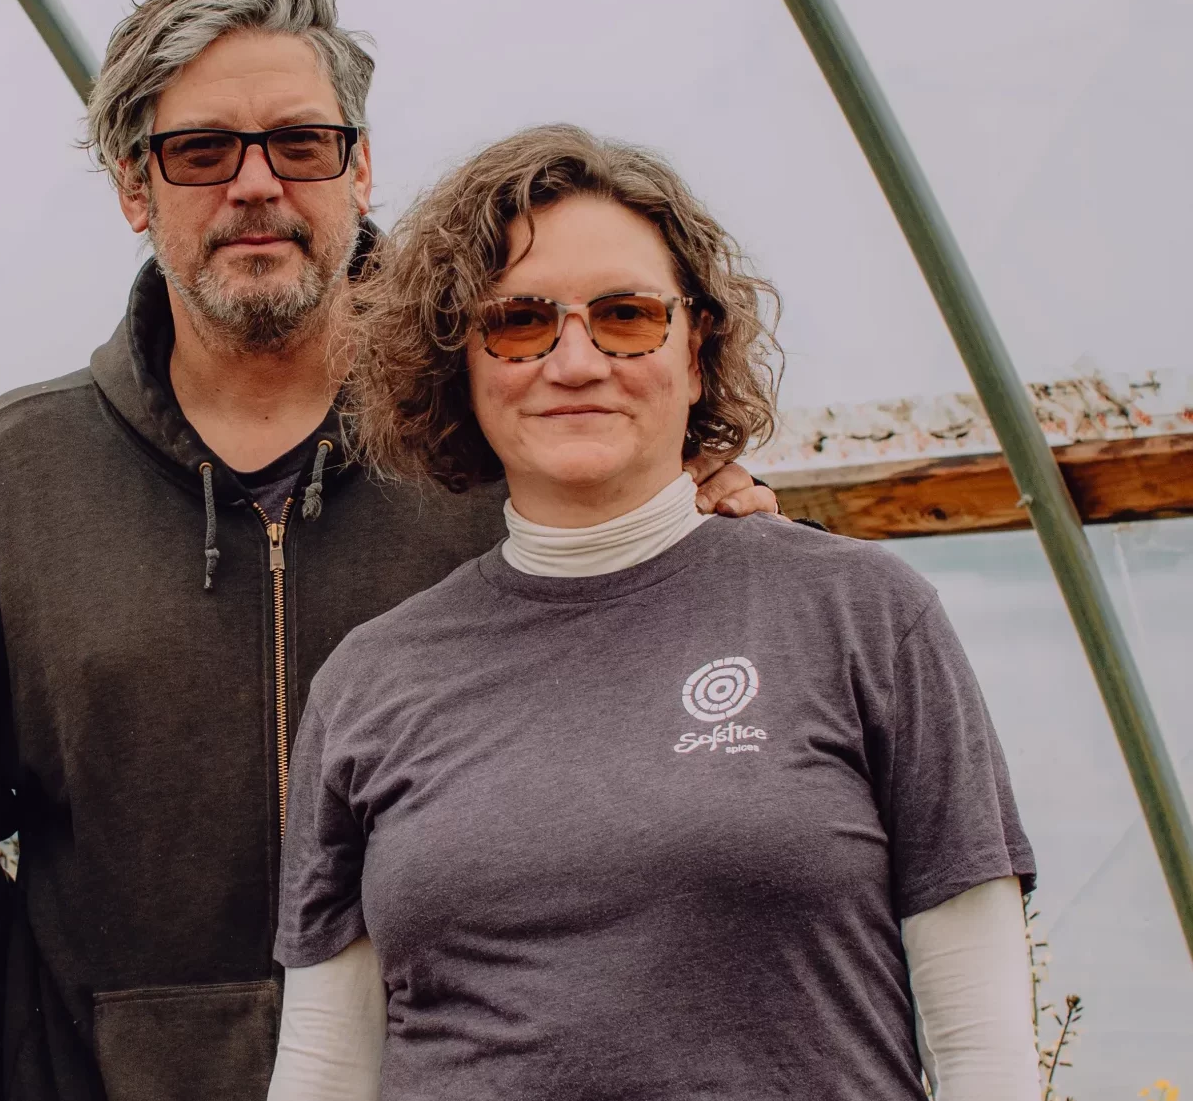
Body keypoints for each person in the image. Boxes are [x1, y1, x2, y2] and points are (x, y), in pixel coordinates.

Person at [0, 0, 777, 1101]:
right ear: (131, 188)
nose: (255, 186)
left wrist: (709, 525)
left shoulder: (508, 436)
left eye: (298, 144)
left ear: (358, 169)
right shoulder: (19, 474)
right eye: (199, 151)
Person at [268, 125, 1039, 1100]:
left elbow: (981, 1045)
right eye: (518, 322)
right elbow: (323, 1068)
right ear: (458, 357)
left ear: (696, 340)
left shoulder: (862, 617)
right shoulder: (371, 680)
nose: (575, 360)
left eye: (625, 315)